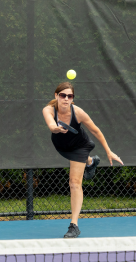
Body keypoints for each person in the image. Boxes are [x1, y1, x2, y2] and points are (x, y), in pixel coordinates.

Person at [42, 82, 123, 238]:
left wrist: (109, 151)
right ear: (56, 96)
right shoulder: (48, 109)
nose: (66, 99)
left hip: (80, 147)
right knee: (79, 167)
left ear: (73, 98)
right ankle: (91, 162)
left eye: (69, 96)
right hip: (61, 146)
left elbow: (96, 131)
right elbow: (51, 124)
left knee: (74, 182)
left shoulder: (78, 112)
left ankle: (74, 225)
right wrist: (56, 129)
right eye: (62, 95)